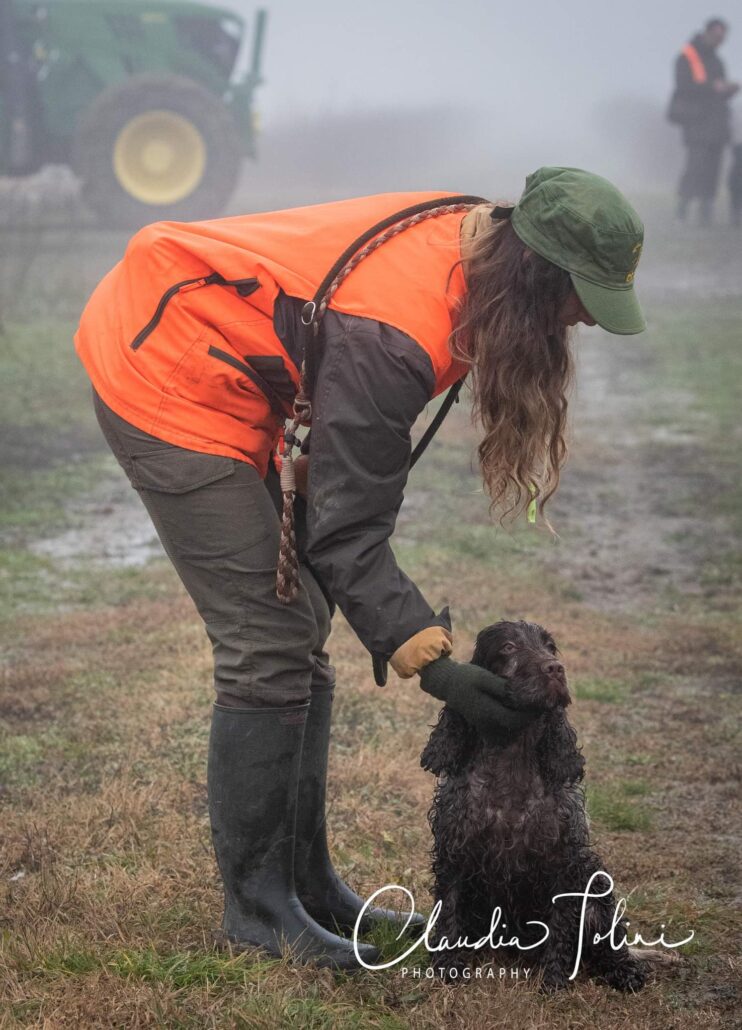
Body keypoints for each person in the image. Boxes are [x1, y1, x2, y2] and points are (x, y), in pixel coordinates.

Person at [74, 167, 646, 970]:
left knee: (301, 622)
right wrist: (434, 665)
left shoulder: (477, 253)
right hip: (166, 370)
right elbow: (348, 528)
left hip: (232, 367)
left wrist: (377, 605)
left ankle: (308, 887)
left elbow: (345, 486)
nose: (582, 319)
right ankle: (259, 910)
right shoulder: (394, 331)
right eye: (578, 299)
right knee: (267, 640)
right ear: (534, 275)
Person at [668, 17, 740, 224]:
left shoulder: (716, 60)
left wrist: (728, 90)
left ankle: (705, 214)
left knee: (713, 169)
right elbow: (683, 88)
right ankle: (682, 210)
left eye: (722, 37)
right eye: (717, 35)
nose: (719, 40)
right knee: (695, 167)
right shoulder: (687, 56)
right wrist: (713, 87)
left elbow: (718, 92)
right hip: (696, 122)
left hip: (717, 123)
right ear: (707, 32)